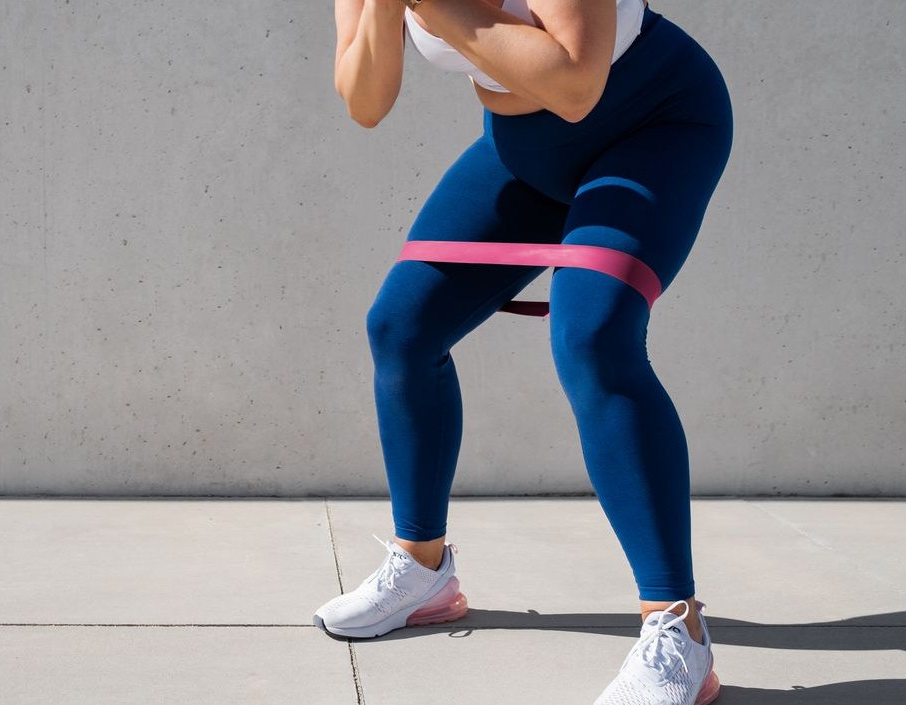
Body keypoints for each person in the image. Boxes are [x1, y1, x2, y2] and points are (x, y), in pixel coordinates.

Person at [312, 1, 733, 704]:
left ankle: (678, 631)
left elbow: (573, 84)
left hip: (653, 123)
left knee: (593, 336)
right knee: (401, 327)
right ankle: (424, 572)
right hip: (528, 149)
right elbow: (364, 101)